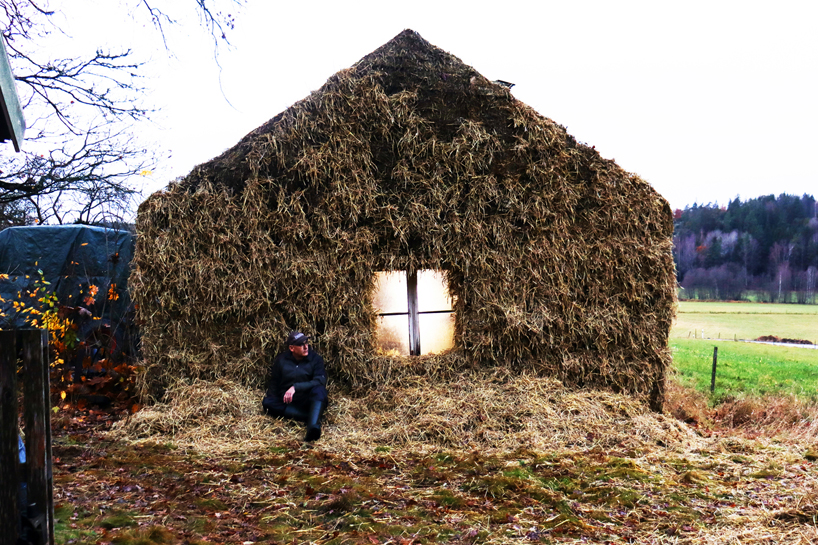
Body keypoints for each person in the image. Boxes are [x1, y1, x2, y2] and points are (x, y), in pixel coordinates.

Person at [262, 331, 328, 442]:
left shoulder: (315, 359)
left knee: (320, 391)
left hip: (307, 399)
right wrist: (271, 400)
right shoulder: (281, 360)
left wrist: (296, 387)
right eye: (301, 344)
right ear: (292, 348)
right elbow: (275, 382)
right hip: (288, 400)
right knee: (267, 403)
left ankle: (312, 430)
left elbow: (320, 380)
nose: (306, 347)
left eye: (306, 343)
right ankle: (311, 417)